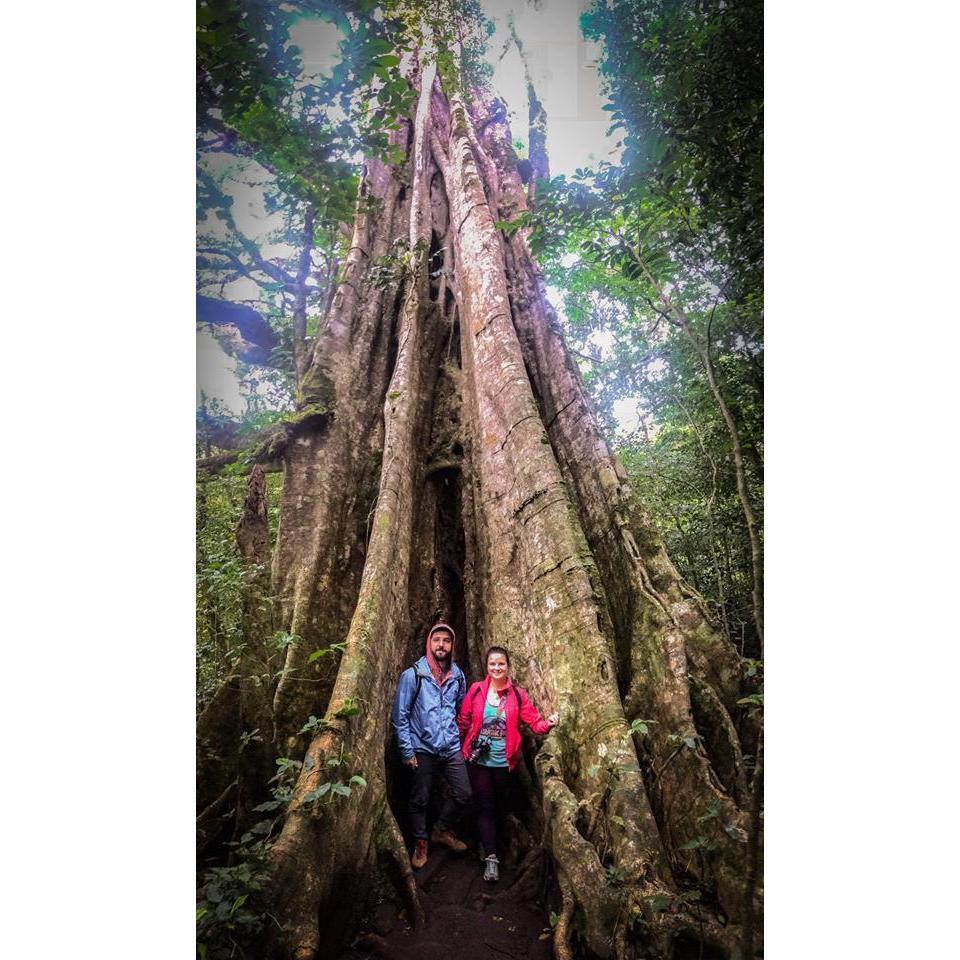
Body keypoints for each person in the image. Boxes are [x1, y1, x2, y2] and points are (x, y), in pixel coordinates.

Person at [457, 645, 559, 882]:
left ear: (508, 666)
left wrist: (548, 724)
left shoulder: (517, 695)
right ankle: (491, 859)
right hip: (478, 762)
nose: (496, 668)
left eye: (500, 663)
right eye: (492, 663)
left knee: (500, 806)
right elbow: (463, 721)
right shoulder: (476, 691)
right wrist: (459, 748)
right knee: (485, 806)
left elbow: (533, 722)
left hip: (504, 763)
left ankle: (493, 844)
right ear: (487, 666)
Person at [392, 622, 471, 870]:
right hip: (422, 748)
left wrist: (457, 739)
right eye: (436, 640)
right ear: (429, 642)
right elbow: (400, 716)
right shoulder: (413, 675)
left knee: (464, 792)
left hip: (449, 747)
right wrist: (407, 750)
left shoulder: (458, 676)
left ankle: (441, 830)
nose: (441, 645)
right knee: (420, 799)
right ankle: (421, 842)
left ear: (452, 645)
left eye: (446, 641)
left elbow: (460, 710)